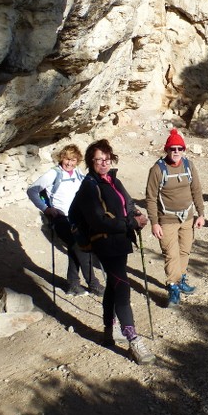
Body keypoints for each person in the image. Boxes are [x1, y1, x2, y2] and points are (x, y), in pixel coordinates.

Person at [68, 139, 155, 364]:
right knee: (122, 286)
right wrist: (130, 224)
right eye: (99, 160)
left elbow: (126, 203)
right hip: (105, 243)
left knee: (114, 286)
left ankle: (109, 330)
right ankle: (133, 339)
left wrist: (135, 214)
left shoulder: (112, 179)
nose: (104, 163)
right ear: (90, 162)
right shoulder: (90, 186)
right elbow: (98, 221)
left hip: (119, 241)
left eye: (107, 158)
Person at [27, 143, 104, 296]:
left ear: (78, 161)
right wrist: (46, 209)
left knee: (75, 248)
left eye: (73, 160)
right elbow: (32, 190)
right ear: (62, 158)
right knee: (79, 246)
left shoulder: (77, 172)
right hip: (61, 218)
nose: (69, 163)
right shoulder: (54, 174)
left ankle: (72, 285)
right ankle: (93, 284)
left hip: (78, 218)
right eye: (67, 159)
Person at [145, 129, 205, 308]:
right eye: (173, 148)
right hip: (167, 219)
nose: (176, 151)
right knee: (171, 255)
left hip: (187, 217)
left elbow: (196, 190)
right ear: (167, 149)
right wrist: (154, 223)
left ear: (183, 149)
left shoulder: (188, 165)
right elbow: (151, 197)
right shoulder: (157, 170)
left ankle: (181, 279)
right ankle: (173, 287)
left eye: (180, 148)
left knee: (184, 251)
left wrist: (201, 213)